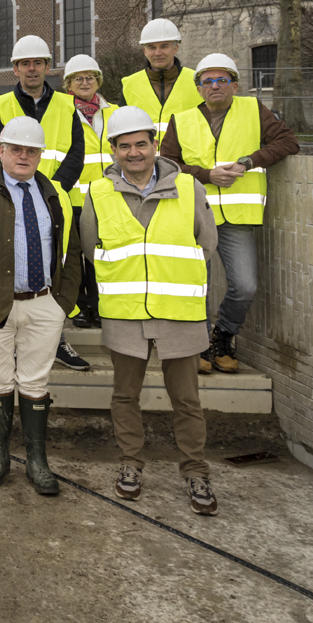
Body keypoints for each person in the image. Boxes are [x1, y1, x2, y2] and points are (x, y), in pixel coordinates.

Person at [80, 105, 223, 516]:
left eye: (140, 144)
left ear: (154, 145)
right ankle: (130, 465)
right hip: (126, 312)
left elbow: (205, 243)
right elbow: (92, 249)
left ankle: (195, 471)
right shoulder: (99, 192)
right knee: (125, 395)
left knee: (187, 400)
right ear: (113, 150)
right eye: (124, 146)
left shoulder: (189, 188)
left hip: (179, 312)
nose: (134, 153)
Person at [0, 116, 84, 495]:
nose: (24, 157)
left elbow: (70, 252)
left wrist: (63, 302)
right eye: (16, 149)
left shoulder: (55, 193)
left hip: (43, 303)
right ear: (2, 151)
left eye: (32, 151)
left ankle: (37, 461)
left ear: (41, 155)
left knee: (36, 381)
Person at [162, 53, 298, 375]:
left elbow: (288, 142)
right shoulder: (181, 120)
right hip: (195, 216)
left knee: (245, 286)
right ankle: (200, 345)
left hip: (237, 218)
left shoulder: (253, 110)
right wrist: (207, 175)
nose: (215, 86)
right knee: (199, 287)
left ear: (235, 85)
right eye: (207, 81)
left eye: (222, 80)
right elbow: (166, 165)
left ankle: (223, 334)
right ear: (198, 89)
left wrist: (249, 162)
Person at [0, 34, 89, 372]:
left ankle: (56, 339)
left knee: (55, 272)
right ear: (15, 68)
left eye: (38, 63)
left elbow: (76, 153)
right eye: (25, 63)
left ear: (48, 67)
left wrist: (52, 191)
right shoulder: (1, 105)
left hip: (58, 201)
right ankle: (16, 341)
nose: (32, 69)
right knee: (16, 268)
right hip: (14, 203)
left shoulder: (66, 104)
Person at [62, 53, 115, 329]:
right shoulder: (62, 113)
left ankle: (100, 305)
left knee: (100, 256)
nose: (85, 82)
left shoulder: (115, 112)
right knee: (75, 258)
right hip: (74, 197)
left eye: (90, 77)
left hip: (107, 199)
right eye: (78, 78)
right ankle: (80, 306)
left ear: (98, 81)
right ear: (68, 84)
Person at [119, 18, 203, 143]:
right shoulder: (129, 85)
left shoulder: (197, 81)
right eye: (152, 47)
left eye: (164, 46)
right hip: (143, 160)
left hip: (185, 160)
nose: (158, 53)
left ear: (175, 49)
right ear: (145, 51)